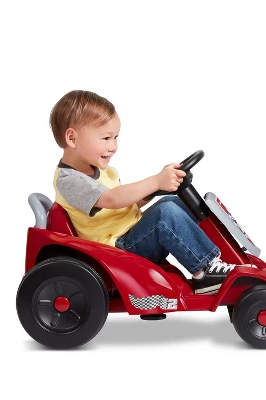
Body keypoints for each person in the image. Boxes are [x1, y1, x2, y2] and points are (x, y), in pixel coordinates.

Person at [50, 90, 253, 295]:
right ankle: (206, 272)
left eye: (116, 137)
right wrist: (156, 181)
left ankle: (218, 257)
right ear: (72, 138)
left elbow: (124, 205)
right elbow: (111, 199)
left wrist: (157, 189)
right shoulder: (69, 180)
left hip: (129, 237)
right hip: (115, 252)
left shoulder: (100, 171)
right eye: (106, 138)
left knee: (174, 202)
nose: (113, 146)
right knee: (165, 214)